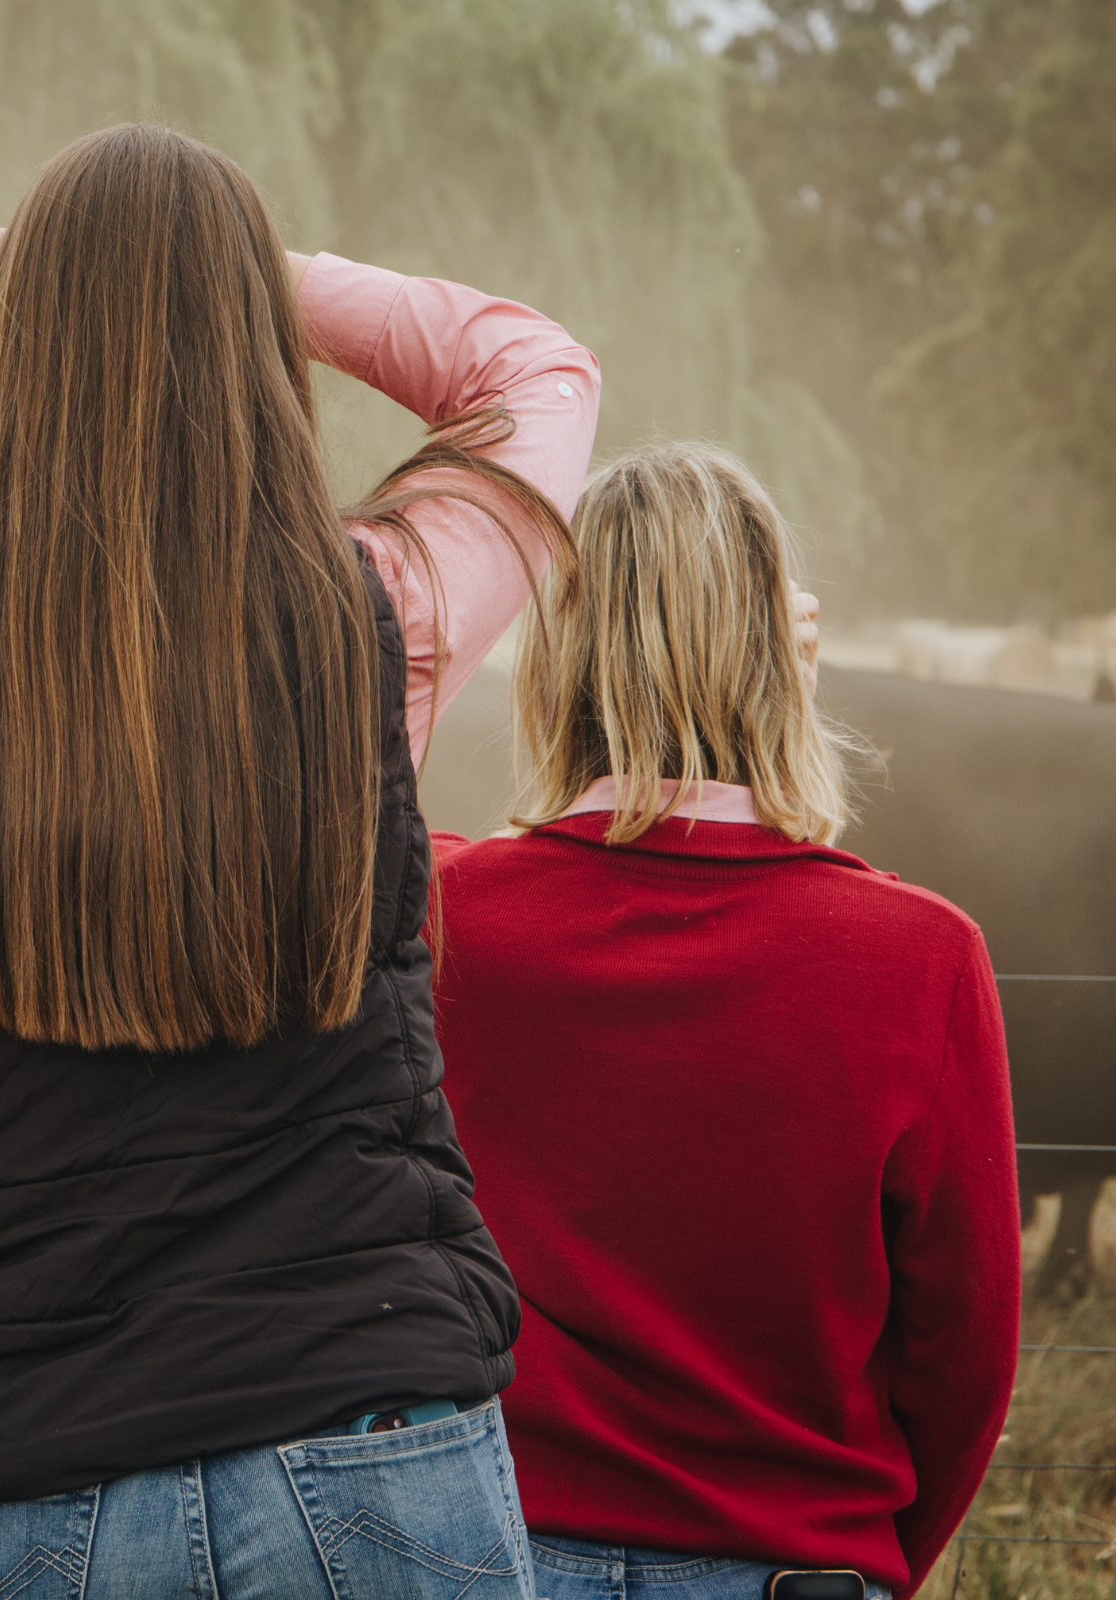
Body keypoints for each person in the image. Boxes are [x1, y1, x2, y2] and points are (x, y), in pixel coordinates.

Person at [0, 123, 597, 1598]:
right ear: (251, 341)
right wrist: (253, 279)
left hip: (35, 1475)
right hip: (373, 1441)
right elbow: (536, 374)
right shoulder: (377, 611)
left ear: (8, 356)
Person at [428, 443, 1019, 1600]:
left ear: (553, 660)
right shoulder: (923, 957)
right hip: (792, 1568)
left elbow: (359, 767)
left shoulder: (441, 916)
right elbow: (967, 1351)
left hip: (490, 1552)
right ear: (783, 660)